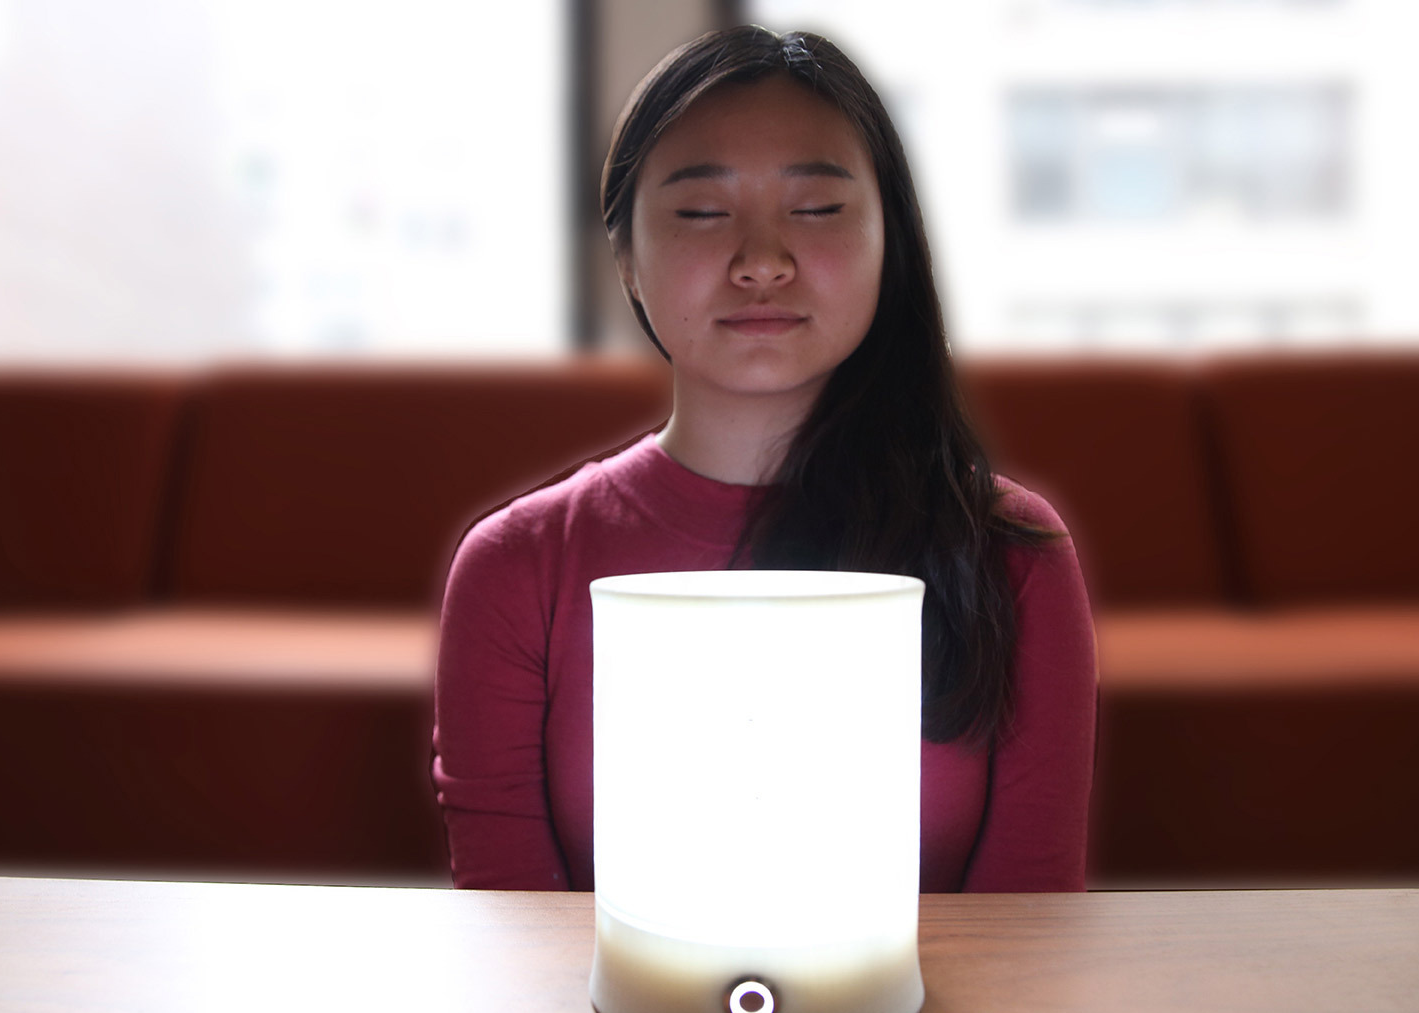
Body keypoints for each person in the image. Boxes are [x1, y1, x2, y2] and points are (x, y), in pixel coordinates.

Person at [431, 26, 1096, 892]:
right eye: (702, 214)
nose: (761, 263)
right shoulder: (515, 570)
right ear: (626, 258)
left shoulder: (1008, 552)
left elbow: (1030, 933)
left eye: (816, 210)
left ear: (888, 238)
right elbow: (514, 944)